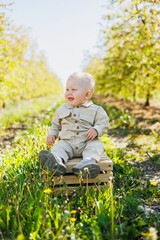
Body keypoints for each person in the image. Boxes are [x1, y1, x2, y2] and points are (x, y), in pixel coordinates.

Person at [39, 72, 109, 179]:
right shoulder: (62, 109)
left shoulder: (96, 110)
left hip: (87, 142)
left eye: (74, 90)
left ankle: (88, 163)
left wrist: (96, 129)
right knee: (58, 147)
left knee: (96, 146)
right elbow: (55, 124)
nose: (69, 93)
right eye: (67, 89)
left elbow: (103, 123)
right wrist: (52, 134)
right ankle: (56, 162)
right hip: (67, 143)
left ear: (87, 94)